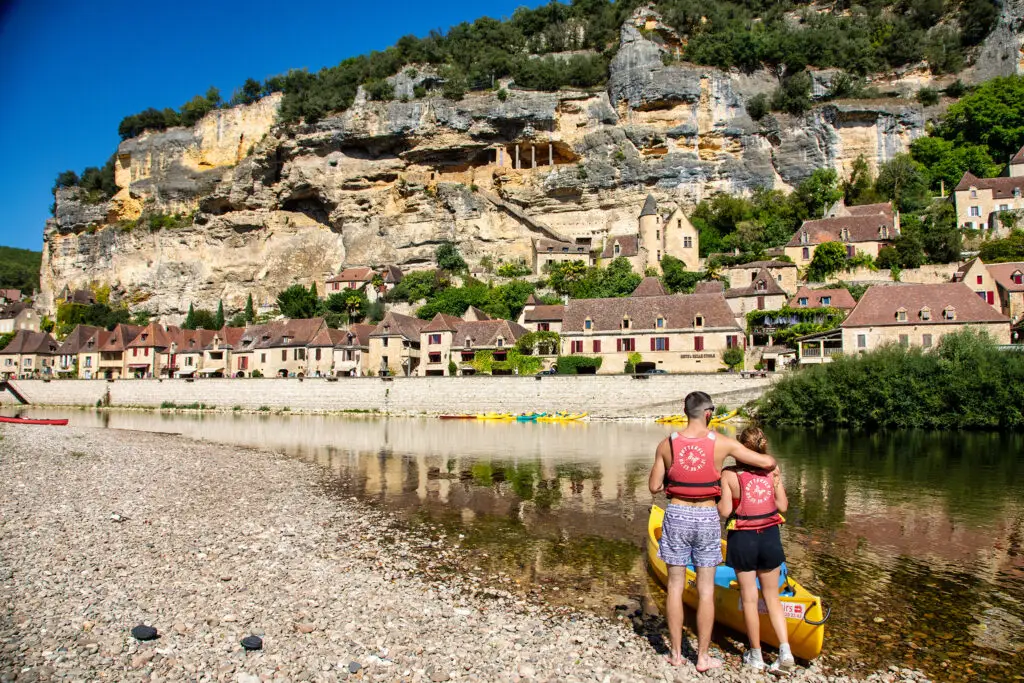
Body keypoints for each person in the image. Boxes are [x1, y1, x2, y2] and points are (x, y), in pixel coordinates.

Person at [648, 392, 776, 672]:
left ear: (686, 412)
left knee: (674, 587)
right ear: (709, 413)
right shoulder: (722, 442)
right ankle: (703, 658)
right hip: (706, 515)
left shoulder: (666, 444)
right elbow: (767, 463)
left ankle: (677, 653)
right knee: (705, 590)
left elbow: (654, 487)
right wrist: (728, 469)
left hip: (677, 513)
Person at [718, 426, 794, 672]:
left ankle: (756, 655)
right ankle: (785, 651)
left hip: (743, 539)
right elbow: (782, 506)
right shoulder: (772, 471)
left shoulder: (729, 475)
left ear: (740, 448)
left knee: (749, 599)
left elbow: (725, 511)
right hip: (770, 537)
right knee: (772, 598)